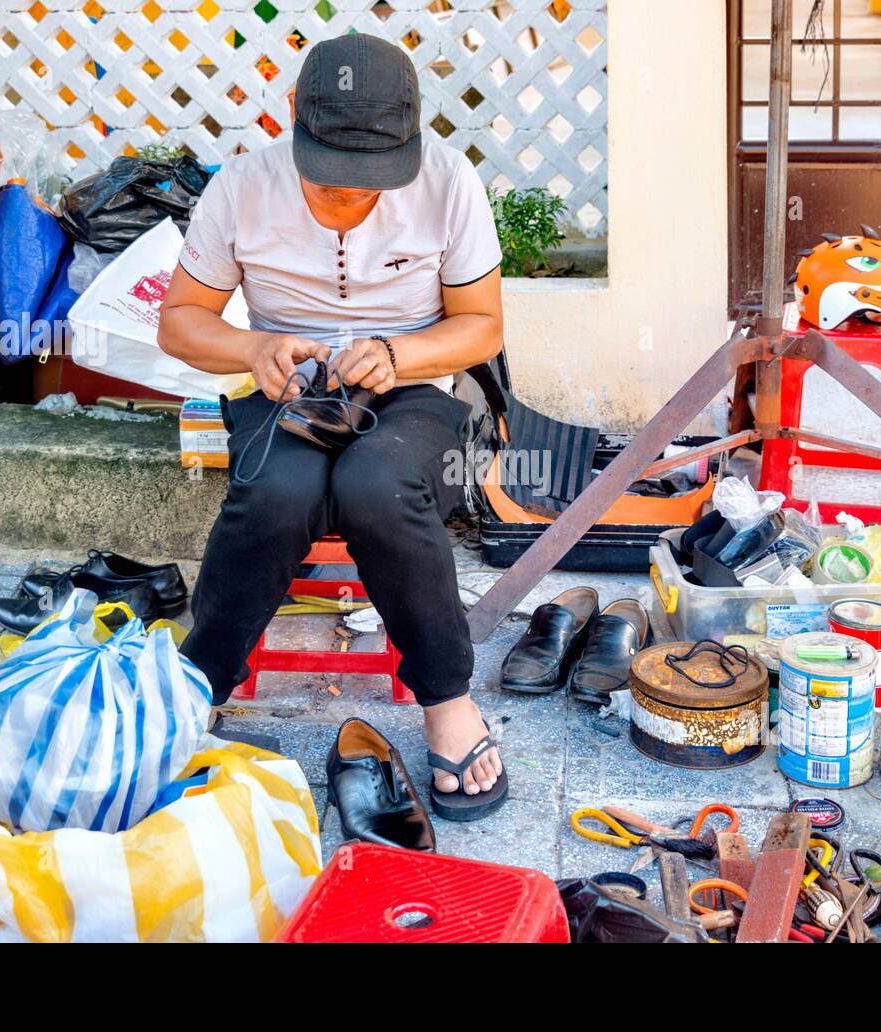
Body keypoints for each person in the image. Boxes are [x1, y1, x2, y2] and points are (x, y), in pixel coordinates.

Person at [158, 33, 507, 818]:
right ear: (292, 117)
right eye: (330, 178)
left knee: (377, 484)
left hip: (412, 390)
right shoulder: (243, 188)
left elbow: (482, 326)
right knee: (276, 493)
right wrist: (253, 346)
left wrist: (401, 351)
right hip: (286, 390)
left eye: (370, 179)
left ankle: (447, 698)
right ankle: (199, 688)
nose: (348, 197)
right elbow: (180, 324)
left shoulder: (449, 180)